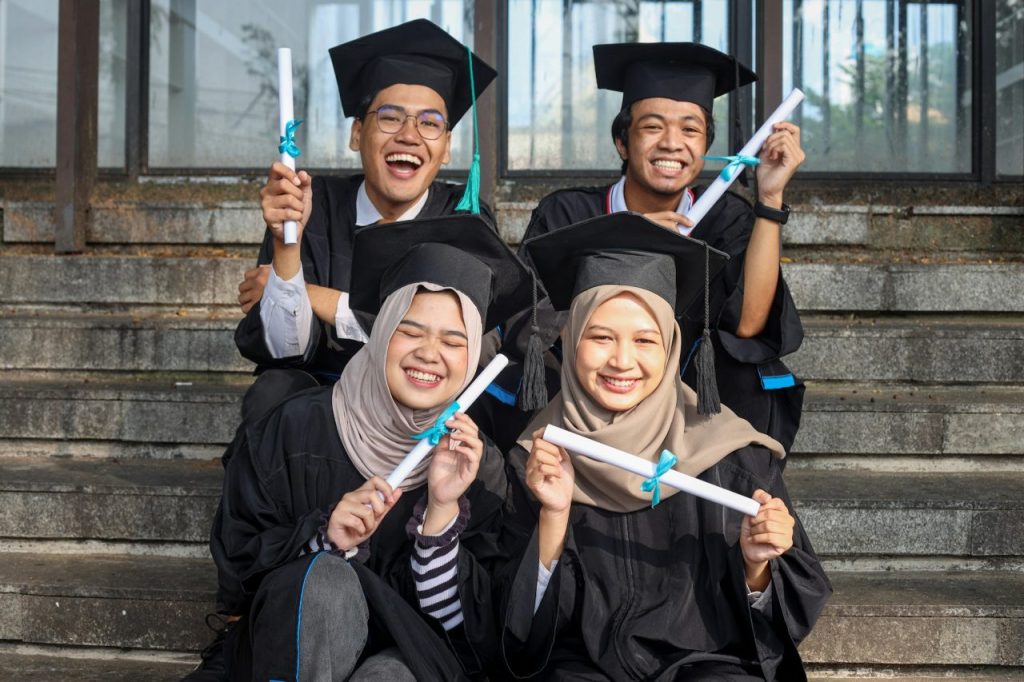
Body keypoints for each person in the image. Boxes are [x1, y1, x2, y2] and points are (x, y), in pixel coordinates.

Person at [185, 21, 498, 680]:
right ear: (357, 134)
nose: (409, 135)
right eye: (389, 117)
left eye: (430, 123)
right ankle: (258, 602)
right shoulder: (310, 201)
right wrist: (287, 247)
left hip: (417, 417)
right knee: (275, 391)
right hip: (321, 416)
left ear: (446, 146)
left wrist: (316, 294)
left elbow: (455, 343)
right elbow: (285, 347)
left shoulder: (464, 221)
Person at [498, 214, 831, 680]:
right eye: (600, 337)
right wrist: (553, 516)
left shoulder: (733, 454)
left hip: (706, 666)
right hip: (581, 669)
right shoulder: (536, 460)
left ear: (671, 345)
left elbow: (780, 623)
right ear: (569, 340)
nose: (622, 361)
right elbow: (515, 632)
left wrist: (757, 566)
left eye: (644, 340)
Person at [212, 215, 534, 680]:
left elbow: (476, 638)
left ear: (471, 360)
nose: (429, 353)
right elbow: (238, 573)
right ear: (380, 331)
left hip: (413, 658)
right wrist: (323, 539)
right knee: (324, 581)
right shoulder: (295, 428)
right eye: (410, 331)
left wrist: (441, 516)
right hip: (297, 651)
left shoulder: (477, 467)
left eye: (453, 341)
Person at [508, 41, 806, 453]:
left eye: (690, 130)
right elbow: (524, 321)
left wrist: (769, 200)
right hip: (588, 395)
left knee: (749, 371)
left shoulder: (726, 219)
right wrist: (627, 240)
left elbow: (748, 325)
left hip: (683, 404)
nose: (671, 143)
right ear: (622, 142)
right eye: (652, 127)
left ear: (705, 147)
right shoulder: (568, 214)